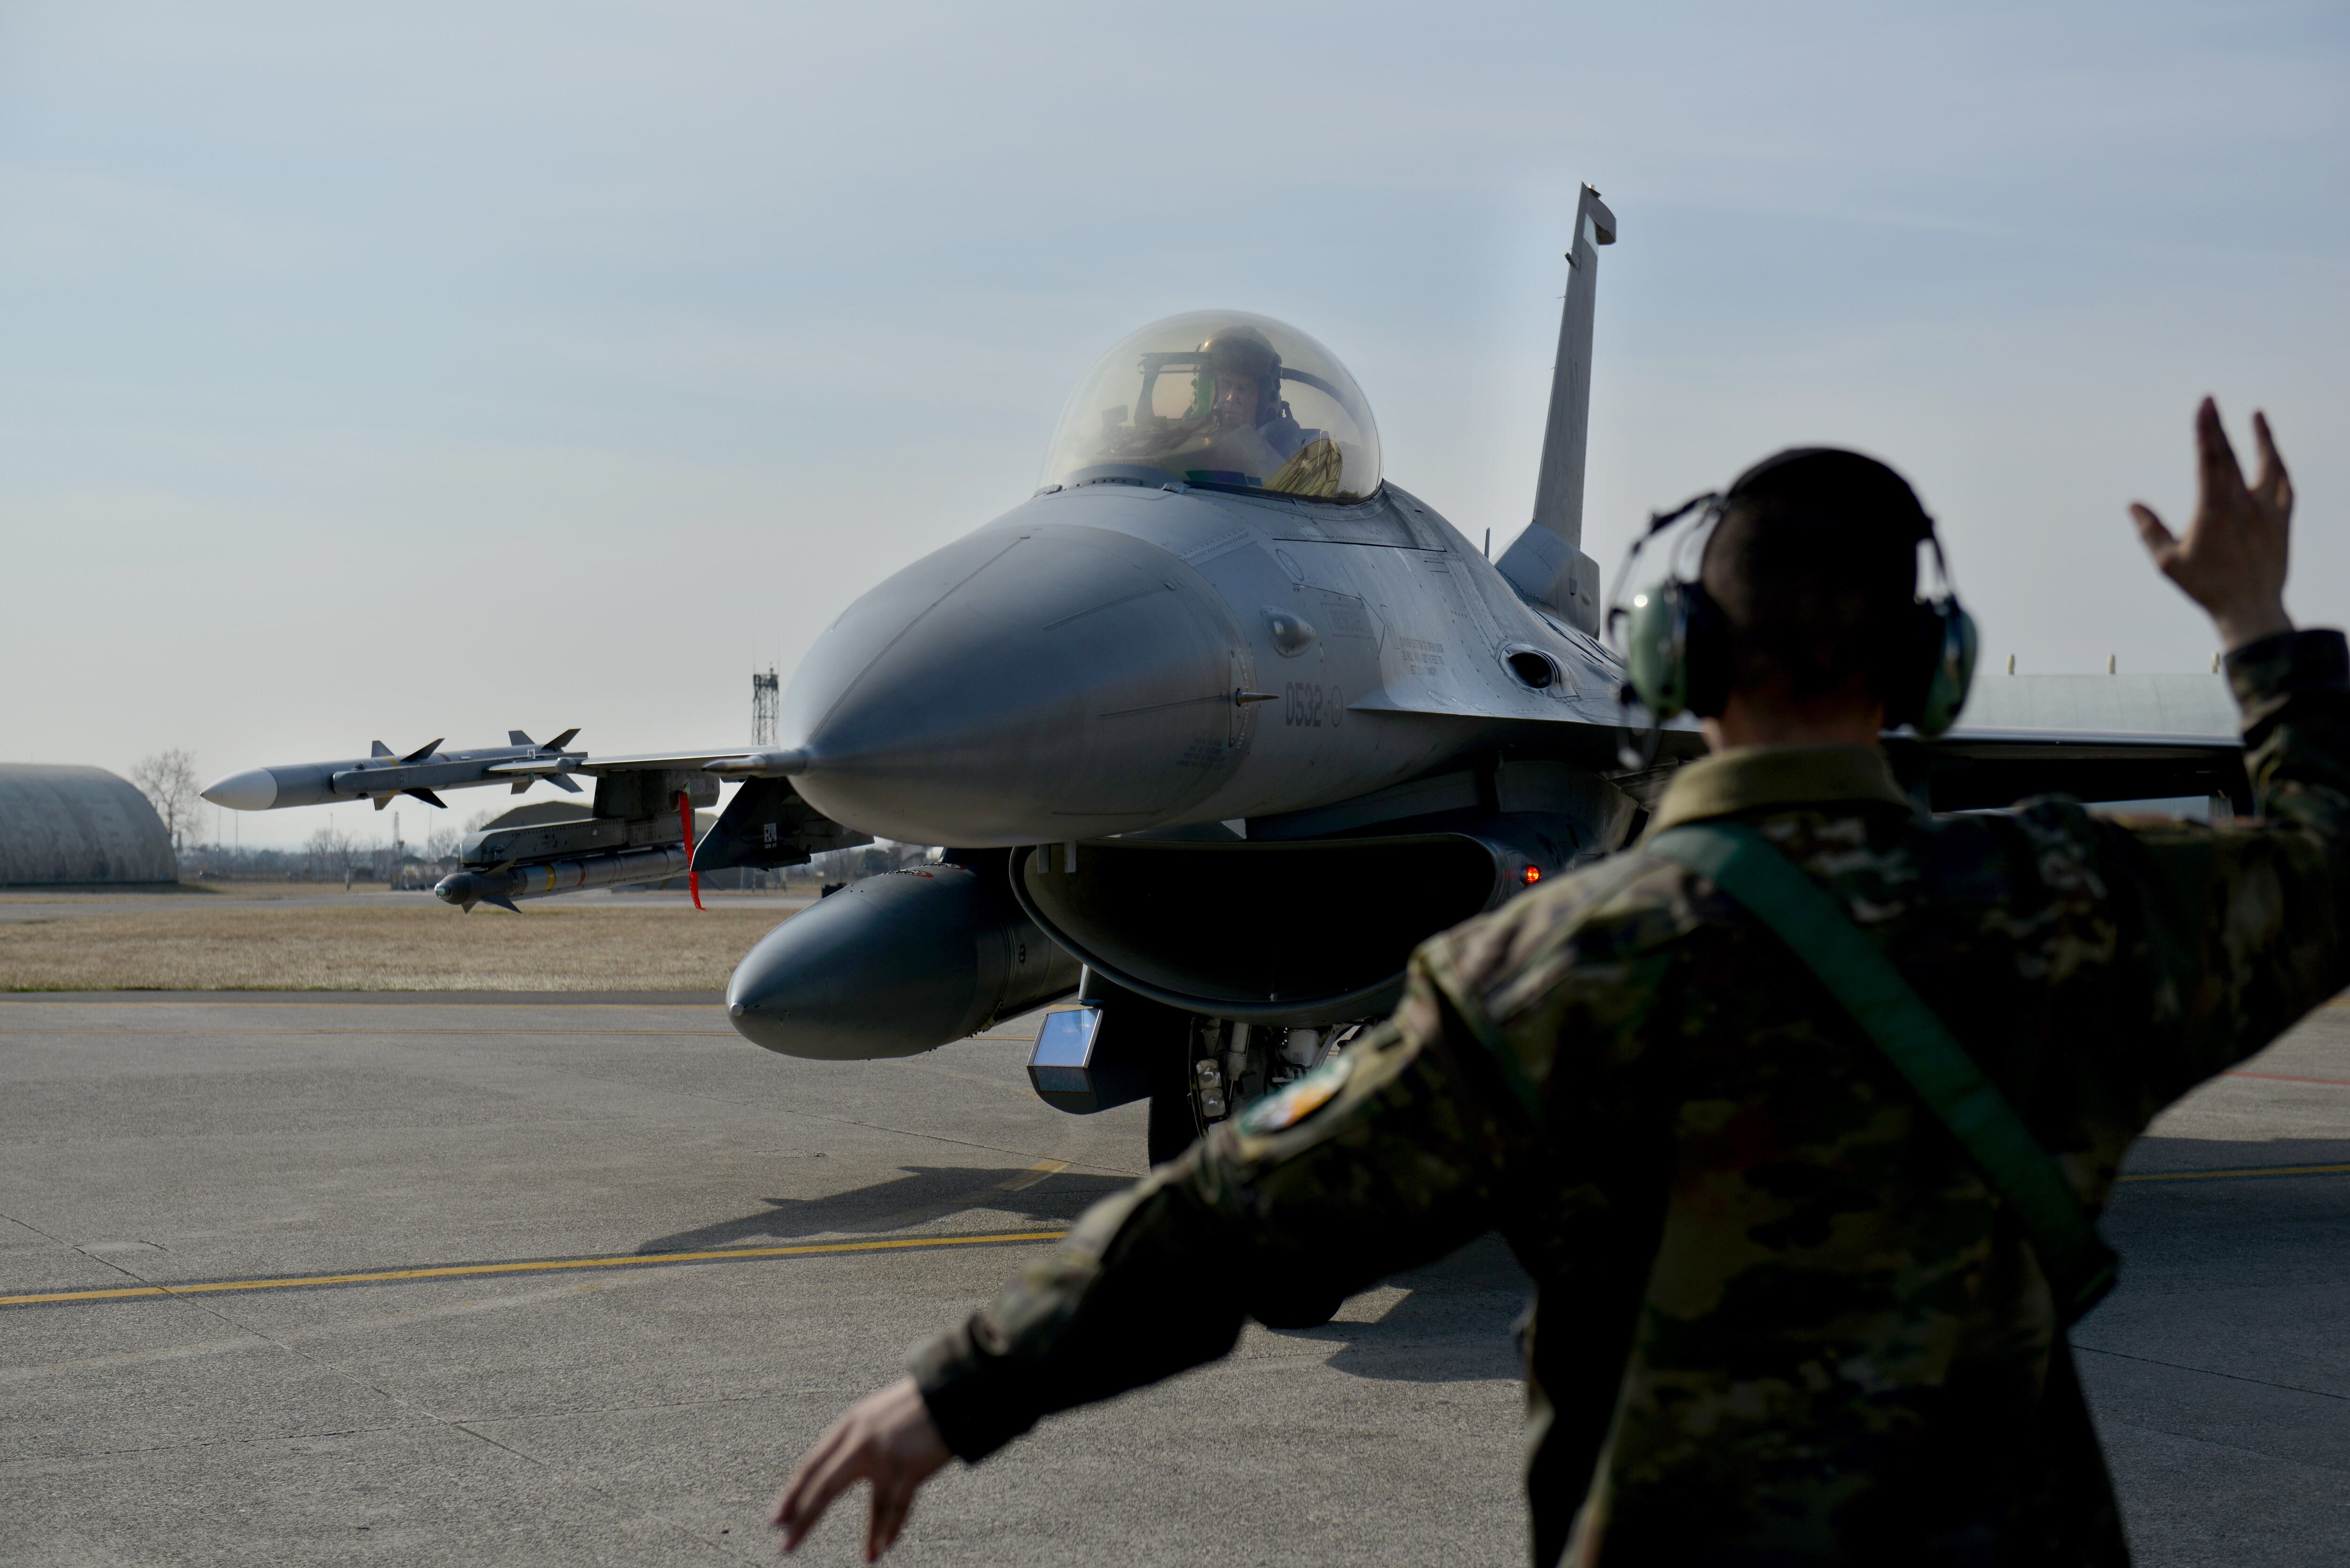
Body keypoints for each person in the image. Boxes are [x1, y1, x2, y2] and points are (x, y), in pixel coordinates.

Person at [771, 399, 2340, 1565]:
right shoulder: (2069, 908)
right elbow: (2331, 868)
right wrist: (2256, 629)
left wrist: (958, 1392)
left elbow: (1243, 1211)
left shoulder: (1547, 966)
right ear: (1933, 671)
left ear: (1669, 662)